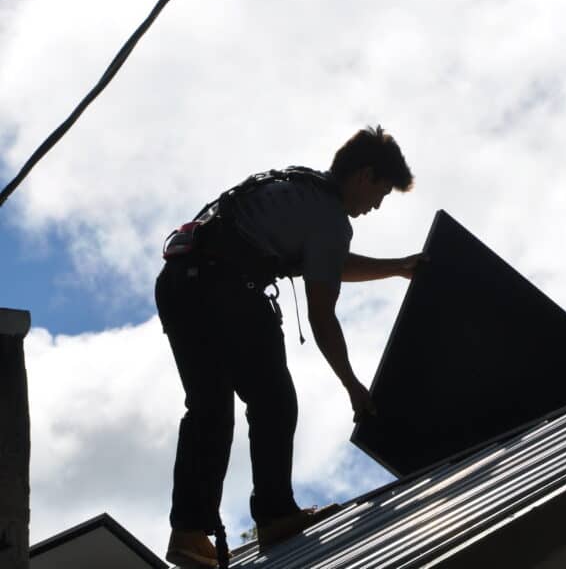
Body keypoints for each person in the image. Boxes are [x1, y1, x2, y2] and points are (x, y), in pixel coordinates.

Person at [156, 125, 419, 568]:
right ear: (363, 175)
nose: (374, 207)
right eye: (380, 194)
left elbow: (328, 265)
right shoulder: (330, 216)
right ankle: (276, 515)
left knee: (210, 408)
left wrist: (396, 267)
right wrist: (353, 385)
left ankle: (188, 532)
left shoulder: (298, 189)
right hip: (226, 287)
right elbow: (322, 313)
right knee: (274, 400)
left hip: (182, 282)